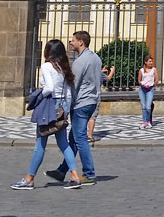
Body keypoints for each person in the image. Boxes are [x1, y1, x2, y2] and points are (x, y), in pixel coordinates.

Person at [11, 40, 82, 190]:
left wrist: (39, 96)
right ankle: (75, 176)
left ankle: (29, 179)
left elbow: (49, 88)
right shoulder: (64, 68)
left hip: (50, 106)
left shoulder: (47, 66)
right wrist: (66, 110)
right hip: (62, 106)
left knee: (40, 144)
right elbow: (69, 92)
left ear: (48, 52)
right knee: (63, 143)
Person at [45, 30, 101, 186]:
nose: (70, 43)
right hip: (92, 100)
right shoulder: (96, 58)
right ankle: (62, 170)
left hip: (81, 102)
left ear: (81, 42)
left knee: (80, 138)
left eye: (73, 40)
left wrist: (67, 107)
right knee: (74, 138)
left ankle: (89, 173)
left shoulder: (80, 62)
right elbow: (100, 78)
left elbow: (73, 84)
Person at [87, 64, 114, 142]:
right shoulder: (99, 73)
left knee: (85, 115)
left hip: (86, 95)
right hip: (95, 96)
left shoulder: (88, 73)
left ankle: (81, 135)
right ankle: (90, 135)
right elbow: (108, 78)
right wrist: (112, 71)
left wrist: (101, 71)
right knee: (92, 116)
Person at [138, 55, 158, 129]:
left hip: (150, 89)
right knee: (143, 106)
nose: (151, 63)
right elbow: (139, 80)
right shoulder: (141, 70)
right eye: (149, 61)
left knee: (148, 106)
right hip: (142, 89)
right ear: (145, 62)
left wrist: (153, 85)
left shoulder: (154, 70)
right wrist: (142, 84)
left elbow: (156, 79)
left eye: (151, 61)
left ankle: (148, 121)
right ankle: (144, 122)